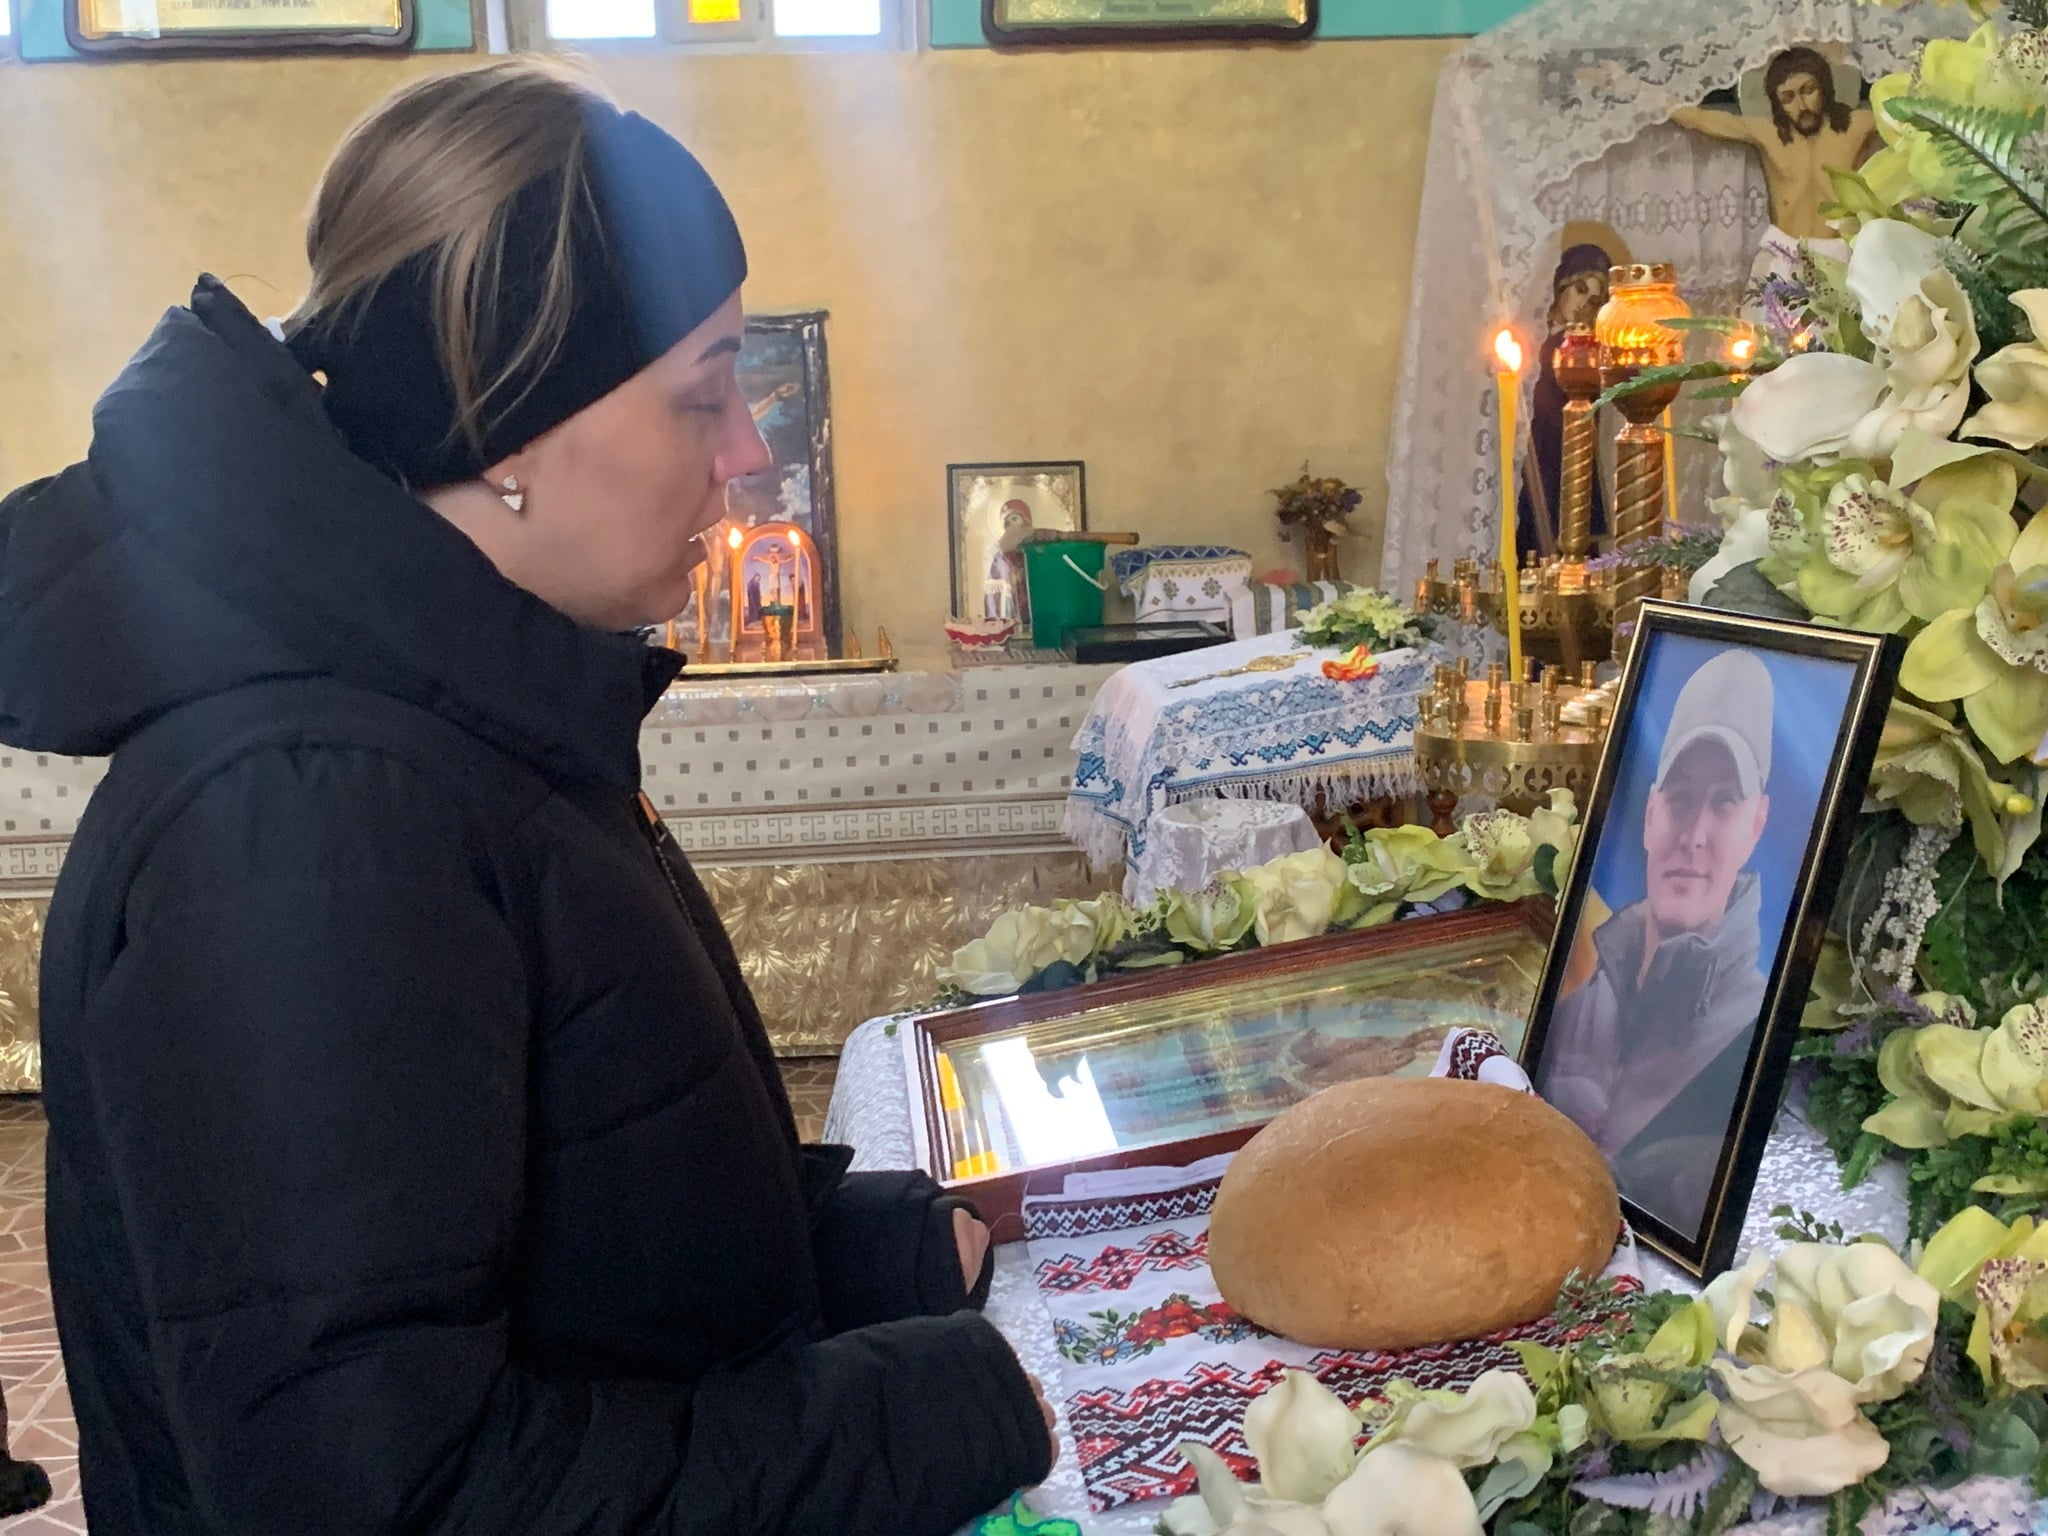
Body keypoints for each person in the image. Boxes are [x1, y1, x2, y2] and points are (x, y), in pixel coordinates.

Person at [0, 62, 1055, 1536]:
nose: (748, 456)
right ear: (505, 424)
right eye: (705, 394)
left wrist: (892, 1250)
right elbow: (394, 1498)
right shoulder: (302, 825)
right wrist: (934, 1410)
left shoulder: (464, 715)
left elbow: (607, 1209)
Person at [1535, 650, 1776, 1236]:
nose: (1693, 836)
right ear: (1648, 816)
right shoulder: (1579, 999)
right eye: (1680, 798)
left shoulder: (1752, 1034)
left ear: (1756, 826)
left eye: (1724, 802)